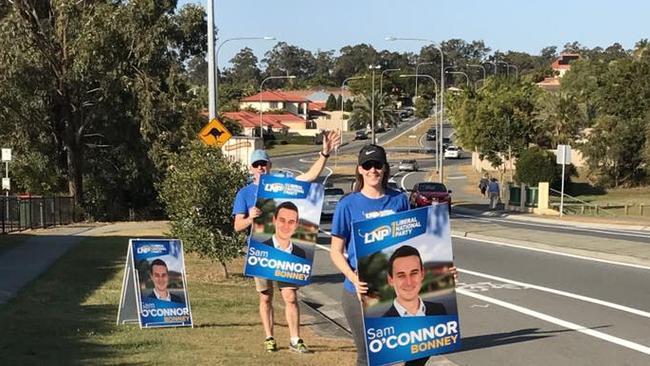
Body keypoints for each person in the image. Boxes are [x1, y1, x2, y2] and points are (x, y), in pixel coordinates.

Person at [232, 129, 340, 353]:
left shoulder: (283, 186)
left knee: (290, 296)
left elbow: (309, 177)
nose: (261, 168)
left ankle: (295, 339)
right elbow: (237, 226)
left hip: (287, 256)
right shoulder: (244, 193)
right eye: (257, 165)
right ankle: (269, 337)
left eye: (264, 164)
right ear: (251, 168)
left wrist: (324, 154)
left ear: (269, 166)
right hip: (260, 252)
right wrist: (250, 218)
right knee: (265, 297)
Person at [329, 144, 409, 366]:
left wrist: (443, 267)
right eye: (367, 165)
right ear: (360, 169)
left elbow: (414, 243)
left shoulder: (400, 200)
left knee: (413, 348)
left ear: (385, 169)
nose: (373, 170)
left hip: (395, 290)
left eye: (378, 165)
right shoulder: (348, 205)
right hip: (359, 293)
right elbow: (336, 252)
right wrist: (354, 279)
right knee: (368, 358)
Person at [382, 245, 447, 318]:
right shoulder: (381, 325)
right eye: (401, 276)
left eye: (414, 273)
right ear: (390, 280)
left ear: (422, 274)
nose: (409, 282)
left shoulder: (439, 310)